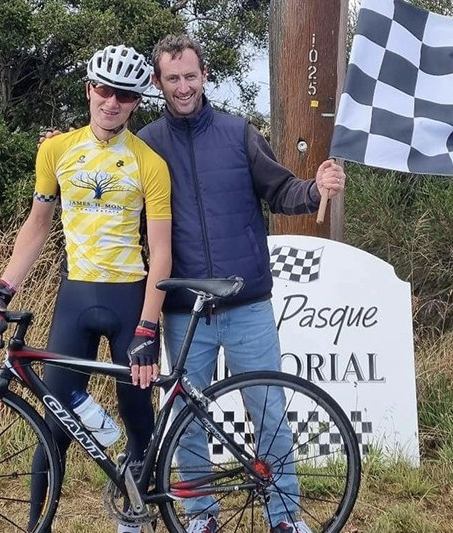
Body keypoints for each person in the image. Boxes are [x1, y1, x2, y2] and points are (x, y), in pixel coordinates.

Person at [138, 34, 345, 533]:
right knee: (186, 419)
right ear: (158, 82)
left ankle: (283, 518)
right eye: (173, 78)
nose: (183, 86)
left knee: (268, 410)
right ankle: (201, 516)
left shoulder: (238, 134)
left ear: (204, 76)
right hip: (183, 307)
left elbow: (282, 190)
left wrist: (316, 187)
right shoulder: (145, 144)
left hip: (247, 302)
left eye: (190, 76)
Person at [0, 44, 171, 533]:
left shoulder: (150, 162)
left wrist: (148, 326)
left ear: (135, 103)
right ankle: (37, 524)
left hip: (130, 300)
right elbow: (38, 226)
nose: (112, 103)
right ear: (88, 90)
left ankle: (135, 515)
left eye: (124, 95)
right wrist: (5, 284)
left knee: (138, 418)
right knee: (53, 423)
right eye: (104, 90)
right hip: (76, 296)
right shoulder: (56, 150)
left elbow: (162, 254)